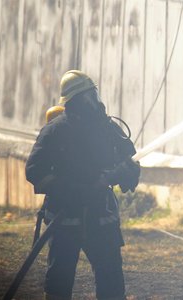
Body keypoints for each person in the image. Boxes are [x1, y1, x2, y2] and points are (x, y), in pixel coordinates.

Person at [26, 70, 140, 300]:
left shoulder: (107, 128)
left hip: (101, 216)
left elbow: (131, 159)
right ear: (77, 100)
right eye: (89, 96)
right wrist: (73, 190)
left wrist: (126, 173)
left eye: (94, 94)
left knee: (111, 282)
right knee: (59, 282)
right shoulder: (56, 131)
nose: (95, 101)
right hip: (65, 216)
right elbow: (35, 172)